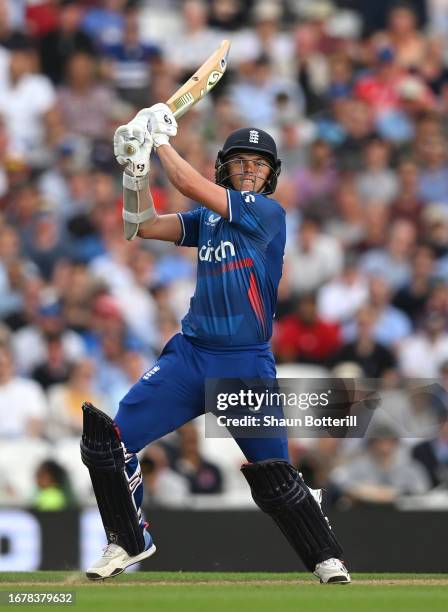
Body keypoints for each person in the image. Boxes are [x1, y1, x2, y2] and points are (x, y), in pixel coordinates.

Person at [80, 103, 350, 584]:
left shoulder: (268, 214)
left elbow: (184, 182)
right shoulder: (207, 219)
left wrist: (159, 138)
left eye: (259, 164)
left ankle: (325, 553)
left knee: (276, 481)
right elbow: (140, 224)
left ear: (271, 176)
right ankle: (128, 539)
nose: (249, 170)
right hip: (190, 355)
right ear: (225, 169)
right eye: (241, 162)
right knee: (109, 444)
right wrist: (135, 168)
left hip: (243, 364)